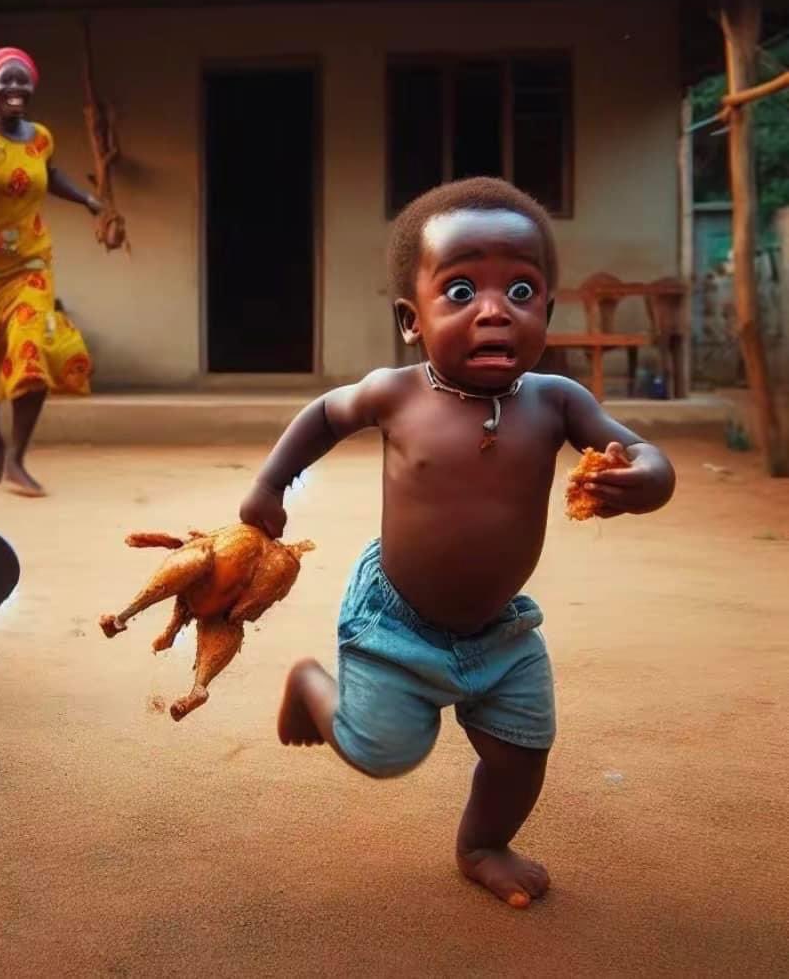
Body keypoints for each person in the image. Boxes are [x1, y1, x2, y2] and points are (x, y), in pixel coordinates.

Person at [237, 177, 676, 909]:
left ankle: (481, 843)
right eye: (463, 289)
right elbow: (322, 413)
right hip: (396, 620)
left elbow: (642, 453)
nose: (496, 311)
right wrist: (271, 482)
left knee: (522, 749)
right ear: (412, 318)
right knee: (385, 751)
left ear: (549, 310)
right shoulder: (395, 393)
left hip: (499, 628)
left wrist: (648, 479)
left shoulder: (557, 402)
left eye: (522, 290)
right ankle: (314, 690)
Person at [0, 47, 105, 497]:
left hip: (31, 262)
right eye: (5, 81)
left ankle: (16, 459)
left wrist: (85, 199)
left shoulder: (40, 137)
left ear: (31, 88)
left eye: (22, 81)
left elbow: (49, 174)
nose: (14, 88)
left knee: (32, 350)